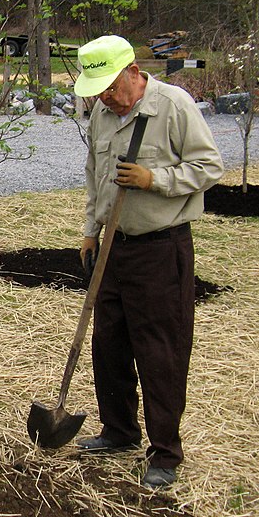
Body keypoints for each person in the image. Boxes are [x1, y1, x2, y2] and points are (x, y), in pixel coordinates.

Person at [72, 35, 224, 490]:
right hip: (114, 248)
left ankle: (164, 453)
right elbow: (95, 177)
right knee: (109, 344)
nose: (105, 97)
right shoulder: (101, 113)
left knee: (160, 351)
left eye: (111, 86)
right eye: (97, 89)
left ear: (134, 72)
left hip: (161, 248)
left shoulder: (173, 106)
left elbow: (209, 166)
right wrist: (90, 230)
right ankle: (119, 432)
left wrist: (154, 178)